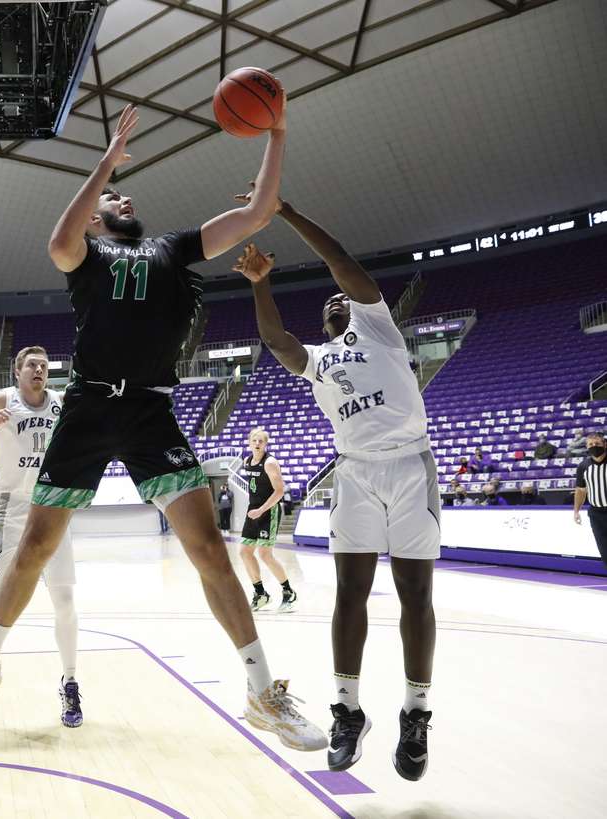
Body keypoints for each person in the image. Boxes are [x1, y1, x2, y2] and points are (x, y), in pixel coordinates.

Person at [0, 104, 326, 752]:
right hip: (89, 408)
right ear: (96, 213)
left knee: (208, 547)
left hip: (150, 409)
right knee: (32, 548)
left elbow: (259, 211)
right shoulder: (87, 254)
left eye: (123, 192)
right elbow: (57, 242)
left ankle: (263, 691)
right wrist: (104, 163)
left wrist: (279, 130)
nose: (120, 196)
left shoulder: (173, 248)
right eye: (108, 196)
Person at [238, 190, 437, 780]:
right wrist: (259, 281)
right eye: (326, 305)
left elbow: (341, 262)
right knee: (349, 594)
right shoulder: (320, 361)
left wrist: (288, 213)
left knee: (414, 596)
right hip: (353, 472)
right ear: (323, 325)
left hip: (408, 467)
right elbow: (276, 341)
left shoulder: (379, 329)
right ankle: (348, 711)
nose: (334, 300)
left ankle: (416, 712)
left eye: (341, 297)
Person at [0, 345, 83, 728]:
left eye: (44, 365)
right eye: (32, 365)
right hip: (14, 507)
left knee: (65, 599)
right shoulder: (1, 400)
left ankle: (70, 682)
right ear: (17, 372)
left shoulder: (61, 402)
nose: (39, 370)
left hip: (53, 505)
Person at [238, 428, 296, 613]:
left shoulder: (270, 462)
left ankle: (288, 592)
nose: (257, 443)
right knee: (245, 552)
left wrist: (261, 510)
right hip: (253, 511)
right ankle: (261, 593)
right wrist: (254, 510)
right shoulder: (246, 461)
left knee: (265, 554)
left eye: (261, 441)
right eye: (254, 440)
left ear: (266, 444)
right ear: (249, 442)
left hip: (268, 511)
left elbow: (279, 491)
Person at [573, 432, 607, 570]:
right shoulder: (583, 466)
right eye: (591, 444)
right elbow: (580, 490)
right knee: (604, 549)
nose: (594, 446)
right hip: (596, 513)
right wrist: (576, 511)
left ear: (605, 444)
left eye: (597, 444)